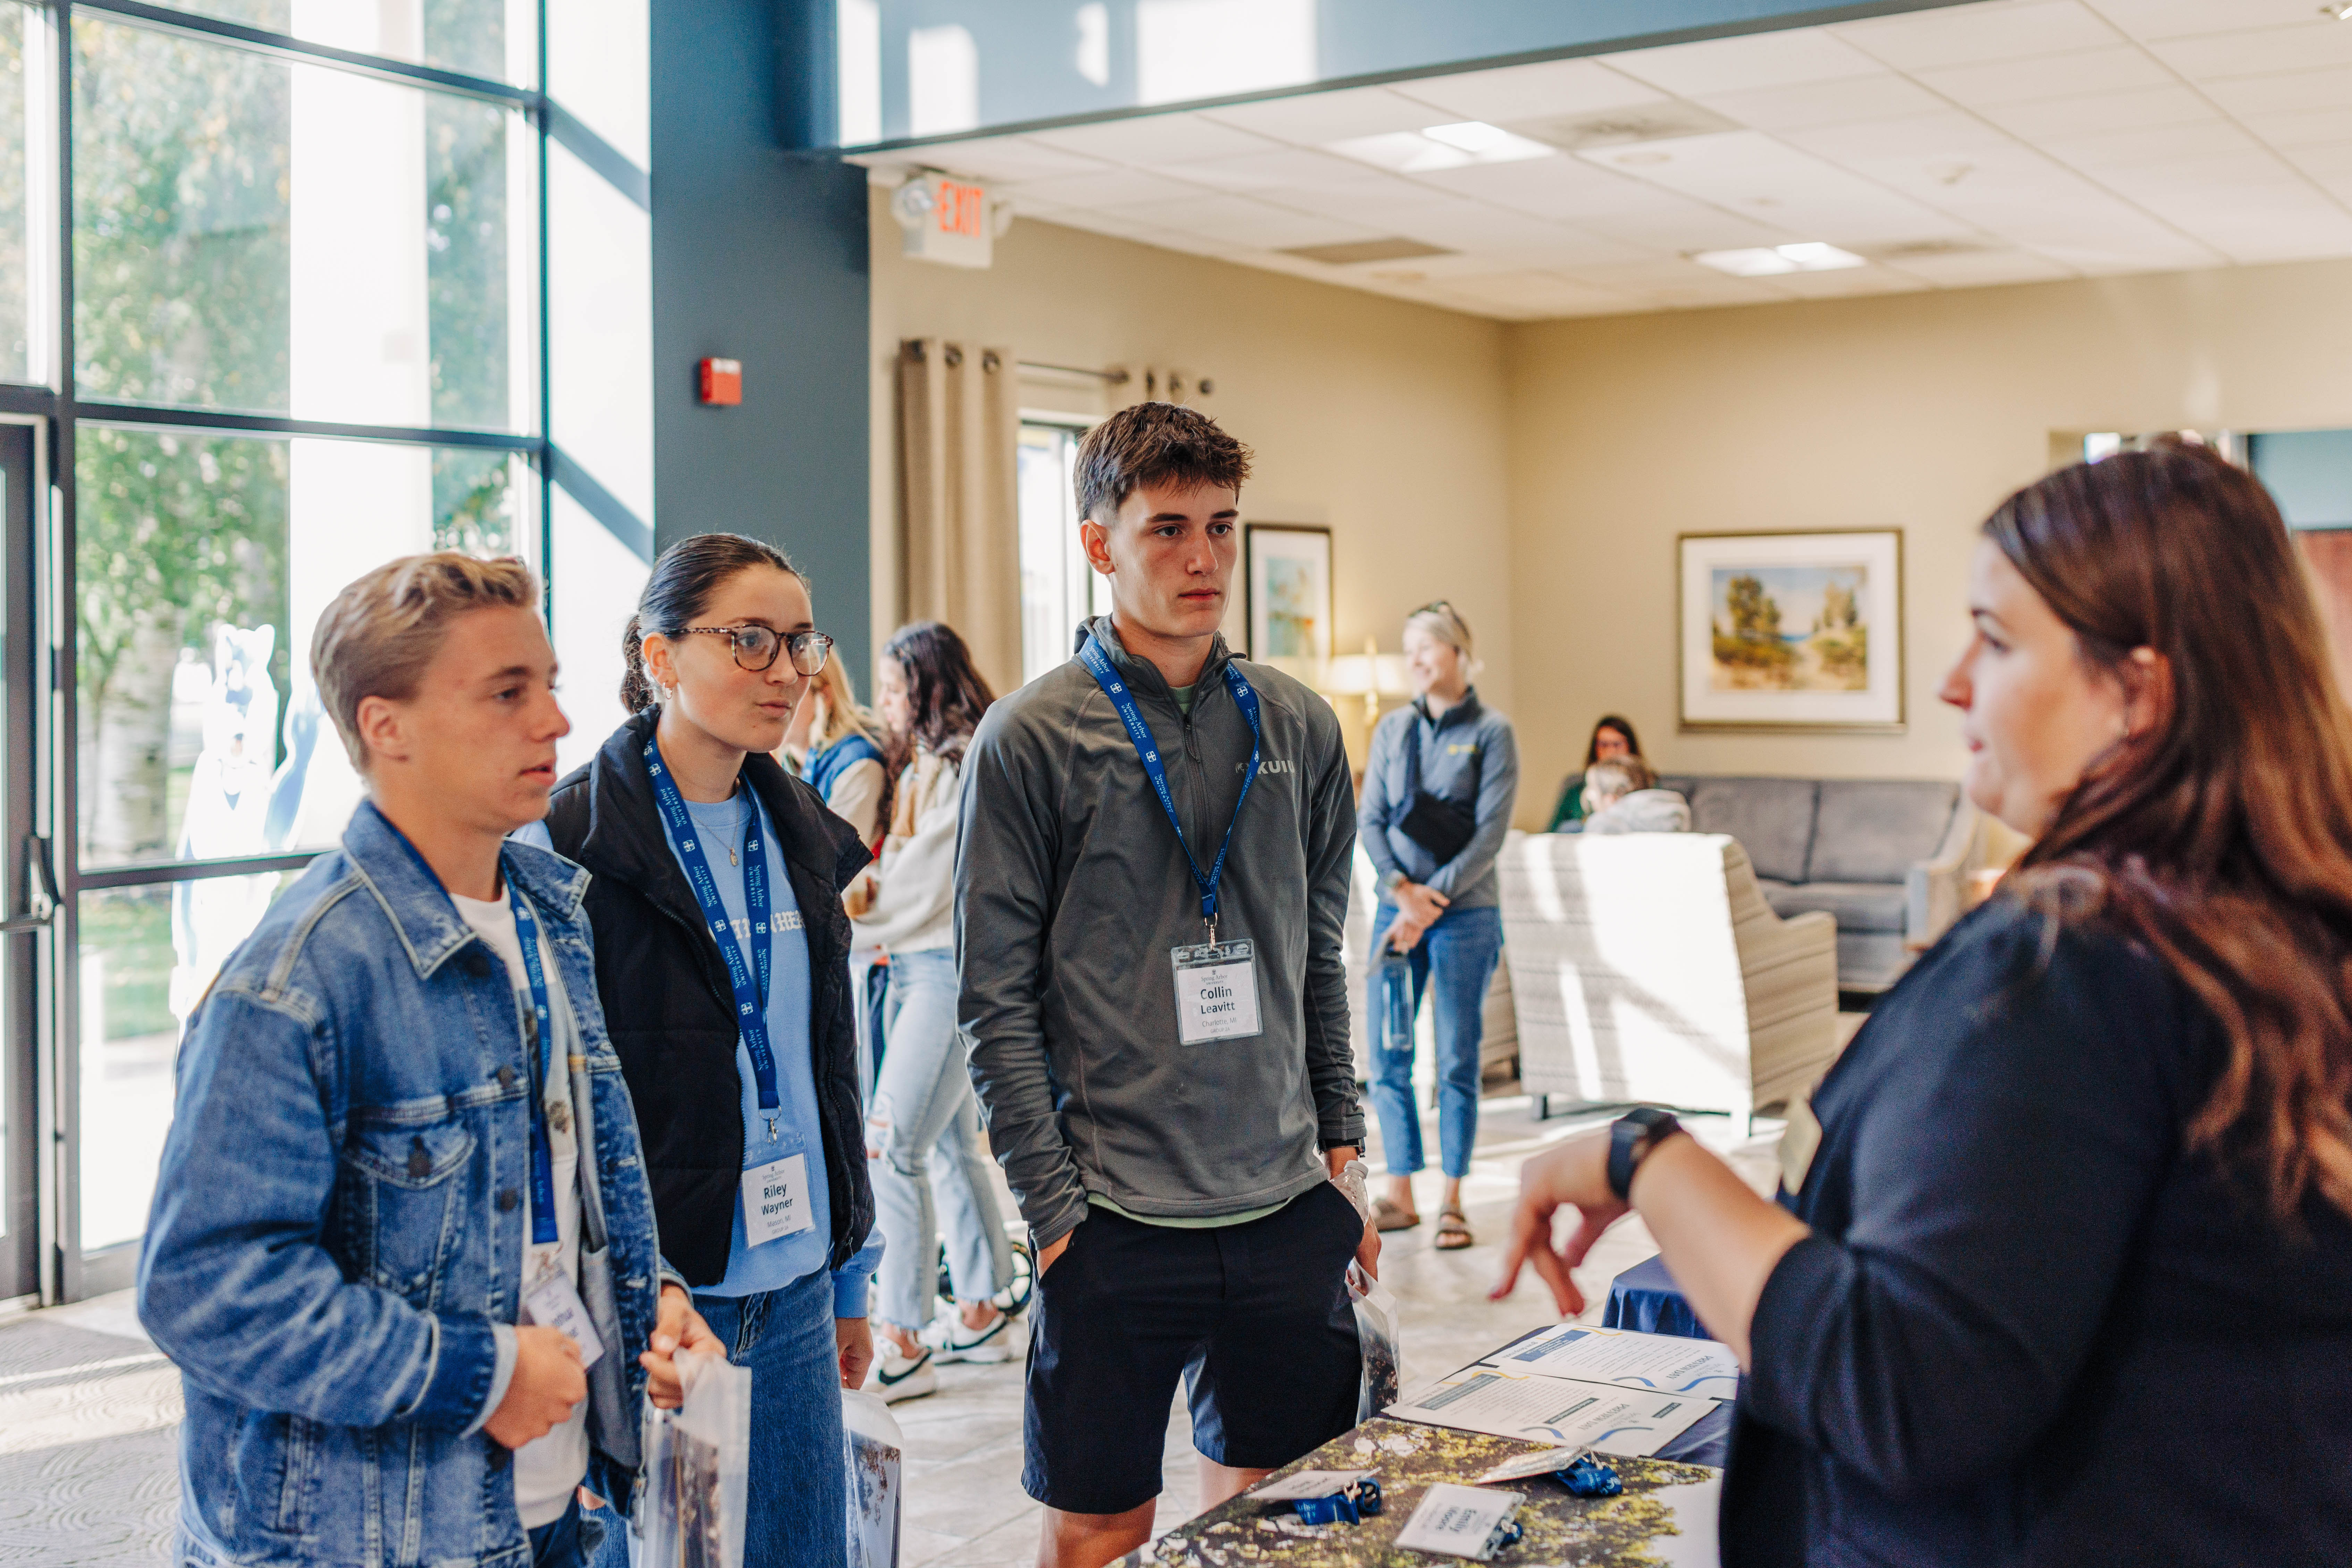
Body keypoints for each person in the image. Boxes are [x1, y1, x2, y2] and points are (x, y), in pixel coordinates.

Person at [1495, 441, 2352, 1567]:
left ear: (2135, 690)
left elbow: (1895, 1383)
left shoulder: (2073, 963)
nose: (1952, 680)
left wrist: (1646, 1156)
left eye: (1994, 638)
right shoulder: (2266, 931)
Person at [138, 554, 716, 1568]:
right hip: (370, 1536)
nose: (554, 723)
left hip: (558, 1510)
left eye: (549, 687)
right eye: (507, 693)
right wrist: (480, 1375)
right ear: (384, 725)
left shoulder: (551, 918)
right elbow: (205, 1286)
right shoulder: (296, 981)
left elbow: (563, 1182)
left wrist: (651, 1297)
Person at [958, 402, 1381, 1568]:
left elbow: (1317, 951)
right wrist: (1052, 1217)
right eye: (1165, 530)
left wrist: (1340, 1152)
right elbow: (993, 999)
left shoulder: (1297, 723)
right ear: (1099, 545)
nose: (1201, 559)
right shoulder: (1030, 737)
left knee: (1272, 1520)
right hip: (1112, 1222)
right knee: (1099, 1531)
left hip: (1282, 1204)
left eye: (1220, 527)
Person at [523, 532, 883, 1568]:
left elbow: (827, 1061)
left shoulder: (803, 828)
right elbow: (575, 1107)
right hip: (669, 1301)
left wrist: (853, 1276)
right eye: (751, 642)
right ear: (661, 656)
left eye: (800, 645)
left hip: (803, 1279)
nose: (786, 673)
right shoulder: (571, 846)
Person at [855, 619, 1018, 1403]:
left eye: (893, 688)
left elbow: (920, 886)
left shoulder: (959, 767)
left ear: (927, 688)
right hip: (923, 965)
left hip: (946, 970)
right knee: (951, 1144)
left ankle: (903, 1335)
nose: (883, 703)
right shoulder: (922, 765)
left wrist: (844, 917)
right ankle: (983, 1310)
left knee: (891, 1146)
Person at [1356, 601, 1520, 1250]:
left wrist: (1432, 901)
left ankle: (1453, 1196)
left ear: (1457, 652)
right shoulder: (1393, 728)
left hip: (1465, 917)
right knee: (1388, 1053)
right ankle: (1401, 1190)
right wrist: (1402, 892)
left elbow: (1489, 834)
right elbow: (1370, 820)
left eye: (1426, 647)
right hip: (1396, 914)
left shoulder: (1492, 732)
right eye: (1409, 650)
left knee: (1455, 1057)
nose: (1416, 661)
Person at [781, 645, 888, 850]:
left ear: (825, 697)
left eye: (791, 689)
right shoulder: (783, 765)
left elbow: (834, 866)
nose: (776, 701)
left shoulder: (859, 764)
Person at [1545, 714, 1640, 831]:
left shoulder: (1647, 787)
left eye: (1617, 745)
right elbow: (1551, 833)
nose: (1611, 751)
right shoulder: (1576, 791)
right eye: (1604, 745)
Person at [1578, 756, 1690, 835]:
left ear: (1612, 798)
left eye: (1593, 789)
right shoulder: (1677, 813)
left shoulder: (1601, 824)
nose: (1589, 797)